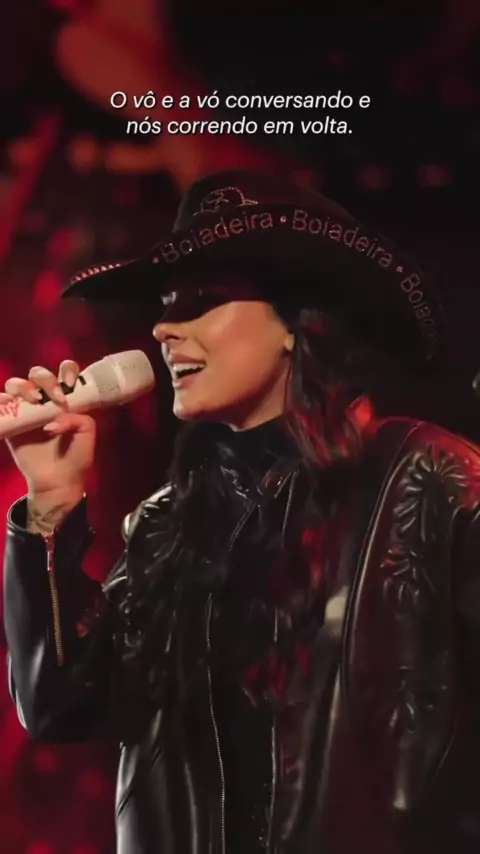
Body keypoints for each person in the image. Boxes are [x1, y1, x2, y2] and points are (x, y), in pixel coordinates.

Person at [3, 170, 480, 854]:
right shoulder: (164, 524)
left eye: (204, 299)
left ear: (295, 321)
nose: (163, 327)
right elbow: (58, 705)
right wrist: (51, 503)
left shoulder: (427, 479)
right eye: (165, 304)